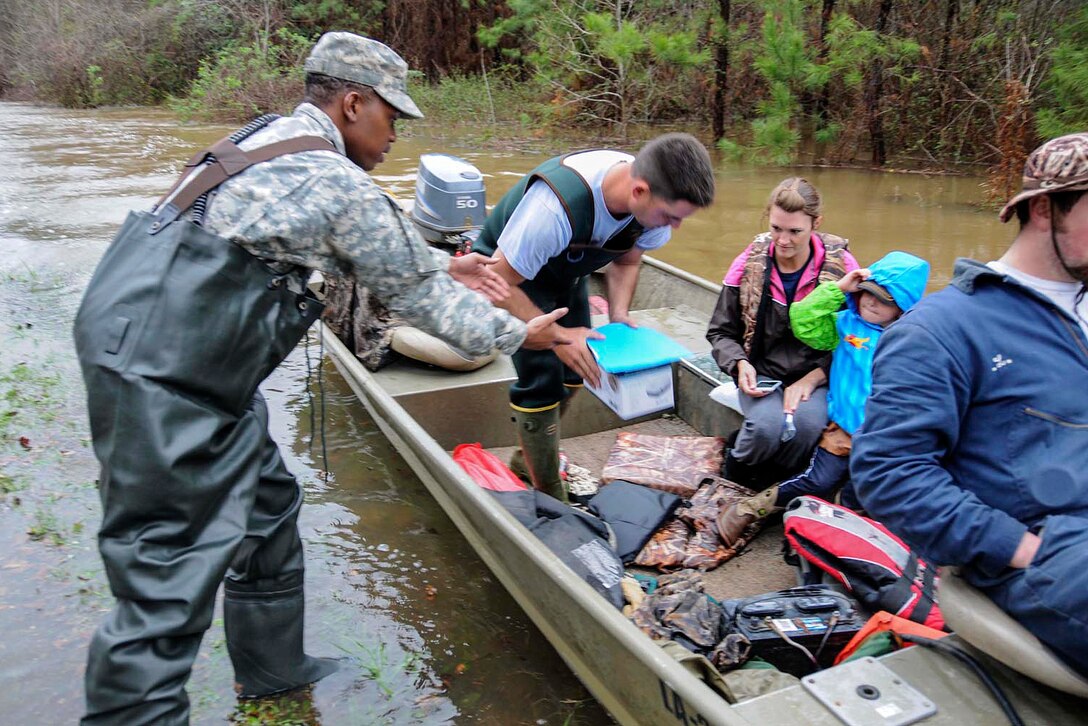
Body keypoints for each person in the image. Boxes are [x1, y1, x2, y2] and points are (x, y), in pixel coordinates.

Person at [72, 31, 568, 724]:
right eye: (393, 117)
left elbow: (358, 231)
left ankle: (274, 673)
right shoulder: (333, 178)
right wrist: (523, 332)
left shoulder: (270, 138)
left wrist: (438, 261)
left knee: (267, 506)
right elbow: (418, 297)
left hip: (174, 345)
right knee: (164, 580)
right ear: (354, 103)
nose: (397, 133)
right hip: (166, 370)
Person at [851, 132, 1088, 676]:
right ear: (1046, 209)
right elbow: (889, 473)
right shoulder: (941, 331)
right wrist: (1022, 549)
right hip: (1048, 559)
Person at [472, 134, 716, 501]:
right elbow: (499, 281)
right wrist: (555, 335)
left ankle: (528, 459)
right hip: (506, 275)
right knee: (543, 380)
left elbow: (629, 258)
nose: (673, 228)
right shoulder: (554, 209)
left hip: (567, 271)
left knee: (579, 370)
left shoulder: (651, 209)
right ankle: (549, 495)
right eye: (670, 216)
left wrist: (618, 314)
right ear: (639, 191)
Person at [717, 250, 929, 545]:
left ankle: (839, 538)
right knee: (819, 479)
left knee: (863, 492)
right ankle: (752, 507)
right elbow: (802, 320)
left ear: (904, 308)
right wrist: (840, 288)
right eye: (868, 293)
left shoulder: (913, 341)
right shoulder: (846, 324)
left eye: (884, 299)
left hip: (882, 438)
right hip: (842, 428)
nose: (871, 301)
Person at [706, 178, 859, 489]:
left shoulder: (844, 269)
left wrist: (815, 377)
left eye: (794, 231)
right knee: (765, 427)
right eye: (776, 228)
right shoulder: (747, 265)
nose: (783, 240)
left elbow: (859, 340)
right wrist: (739, 364)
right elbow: (720, 331)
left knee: (806, 427)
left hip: (816, 375)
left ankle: (775, 485)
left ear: (816, 223)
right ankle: (736, 470)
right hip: (761, 371)